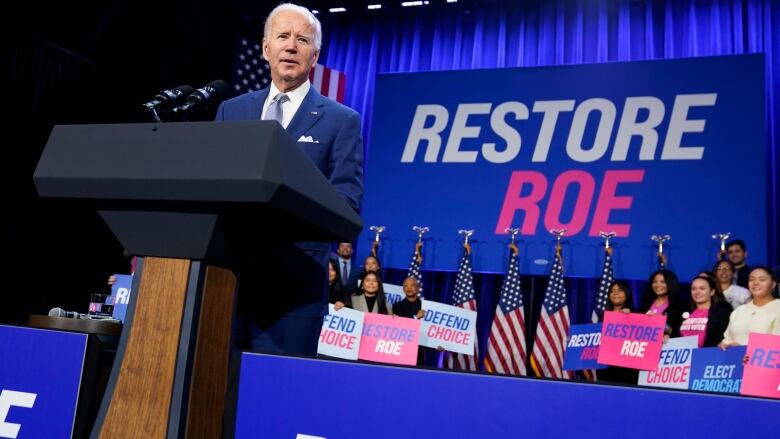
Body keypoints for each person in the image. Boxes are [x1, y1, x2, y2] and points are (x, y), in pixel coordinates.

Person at [215, 3, 364, 356]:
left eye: (302, 39)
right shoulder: (231, 111)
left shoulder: (341, 120)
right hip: (227, 285)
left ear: (314, 55)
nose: (291, 45)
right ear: (266, 48)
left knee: (272, 403)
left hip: (294, 296)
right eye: (282, 36)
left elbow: (346, 204)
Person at [720, 266, 780, 348]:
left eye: (762, 279)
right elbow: (727, 340)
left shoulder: (777, 307)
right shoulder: (738, 311)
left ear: (773, 284)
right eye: (751, 279)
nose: (755, 283)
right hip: (735, 359)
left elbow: (777, 342)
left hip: (767, 359)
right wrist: (724, 345)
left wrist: (743, 348)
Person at [598, 281, 638, 385]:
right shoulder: (603, 315)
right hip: (606, 367)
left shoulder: (635, 314)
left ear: (627, 293)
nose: (615, 293)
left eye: (619, 290)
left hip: (626, 369)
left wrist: (629, 319)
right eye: (612, 291)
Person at [679, 275, 732, 347]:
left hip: (708, 355)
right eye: (693, 289)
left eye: (702, 288)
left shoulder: (722, 312)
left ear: (712, 292)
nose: (697, 292)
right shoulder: (684, 311)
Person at [639, 269, 685, 339]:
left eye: (663, 282)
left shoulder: (679, 305)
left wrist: (659, 322)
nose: (658, 285)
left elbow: (680, 331)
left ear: (671, 283)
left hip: (667, 346)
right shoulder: (646, 303)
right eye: (655, 282)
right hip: (645, 344)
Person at [392, 277, 426, 365]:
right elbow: (399, 328)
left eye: (412, 285)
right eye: (406, 286)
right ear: (403, 289)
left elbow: (431, 330)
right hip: (402, 350)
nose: (409, 288)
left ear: (418, 288)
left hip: (419, 351)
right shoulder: (396, 307)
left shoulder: (426, 307)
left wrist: (437, 344)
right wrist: (416, 317)